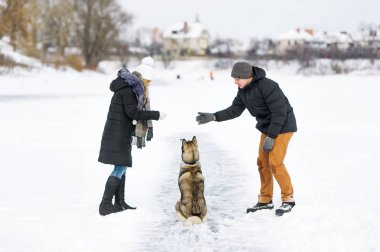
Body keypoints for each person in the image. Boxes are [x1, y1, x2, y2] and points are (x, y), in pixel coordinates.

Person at [196, 61, 297, 216]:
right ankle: (265, 200)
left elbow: (279, 113)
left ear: (247, 76)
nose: (235, 82)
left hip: (283, 126)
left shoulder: (268, 86)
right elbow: (235, 110)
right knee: (263, 162)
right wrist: (214, 116)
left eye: (237, 78)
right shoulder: (243, 91)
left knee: (275, 161)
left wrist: (271, 136)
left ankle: (288, 198)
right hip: (267, 127)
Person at [98, 57, 166, 216]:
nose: (148, 85)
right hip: (117, 132)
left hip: (120, 131)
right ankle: (105, 205)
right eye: (148, 82)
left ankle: (119, 202)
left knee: (122, 166)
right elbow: (133, 113)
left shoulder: (130, 87)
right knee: (121, 166)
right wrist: (156, 115)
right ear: (142, 78)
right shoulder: (129, 89)